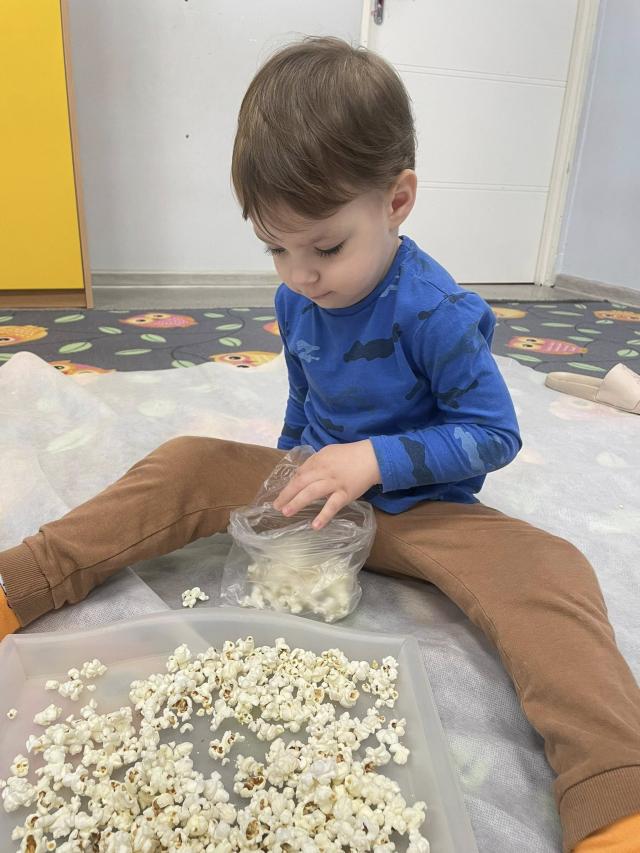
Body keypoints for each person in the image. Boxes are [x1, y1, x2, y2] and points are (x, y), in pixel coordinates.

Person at [1, 36, 638, 853]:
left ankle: (616, 802)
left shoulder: (437, 312)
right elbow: (305, 398)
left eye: (326, 247)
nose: (301, 274)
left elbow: (493, 433)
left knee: (552, 568)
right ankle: (19, 582)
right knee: (187, 462)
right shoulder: (296, 298)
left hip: (421, 511)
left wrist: (372, 460)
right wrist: (284, 476)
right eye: (276, 248)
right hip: (313, 493)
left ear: (397, 200)